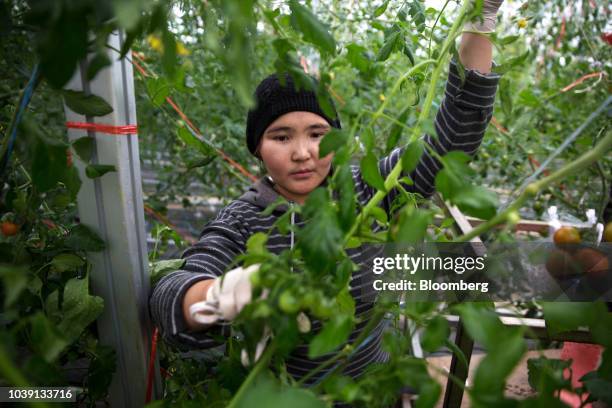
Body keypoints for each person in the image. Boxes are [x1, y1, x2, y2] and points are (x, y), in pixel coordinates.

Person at [150, 0, 504, 391]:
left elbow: (451, 145)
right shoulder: (244, 221)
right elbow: (169, 295)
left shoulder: (369, 188)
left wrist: (478, 24)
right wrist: (217, 294)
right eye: (280, 136)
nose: (302, 153)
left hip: (374, 390)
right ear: (256, 148)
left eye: (317, 134)